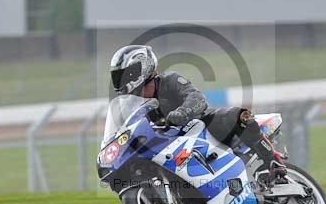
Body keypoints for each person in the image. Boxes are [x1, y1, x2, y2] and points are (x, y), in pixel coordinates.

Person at [109, 44, 288, 184]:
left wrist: (181, 112)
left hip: (199, 127)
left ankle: (273, 160)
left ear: (141, 68)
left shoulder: (169, 80)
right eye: (117, 76)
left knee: (239, 115)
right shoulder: (131, 105)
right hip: (168, 144)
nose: (120, 81)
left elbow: (196, 98)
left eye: (124, 75)